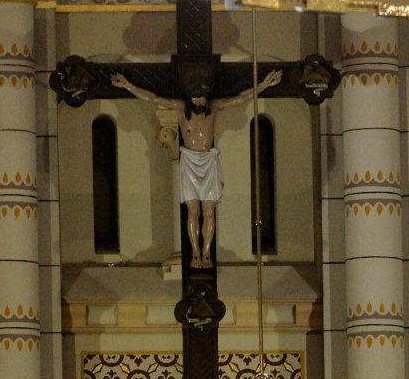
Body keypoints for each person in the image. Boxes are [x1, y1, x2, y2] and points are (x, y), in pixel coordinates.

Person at [111, 68, 283, 268]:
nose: (199, 101)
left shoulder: (214, 107)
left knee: (209, 211)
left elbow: (241, 98)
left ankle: (206, 251)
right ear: (190, 97)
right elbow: (153, 98)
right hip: (190, 162)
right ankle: (195, 252)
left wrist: (264, 84)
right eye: (195, 98)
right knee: (193, 212)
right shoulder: (180, 107)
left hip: (208, 161)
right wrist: (127, 85)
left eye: (202, 97)